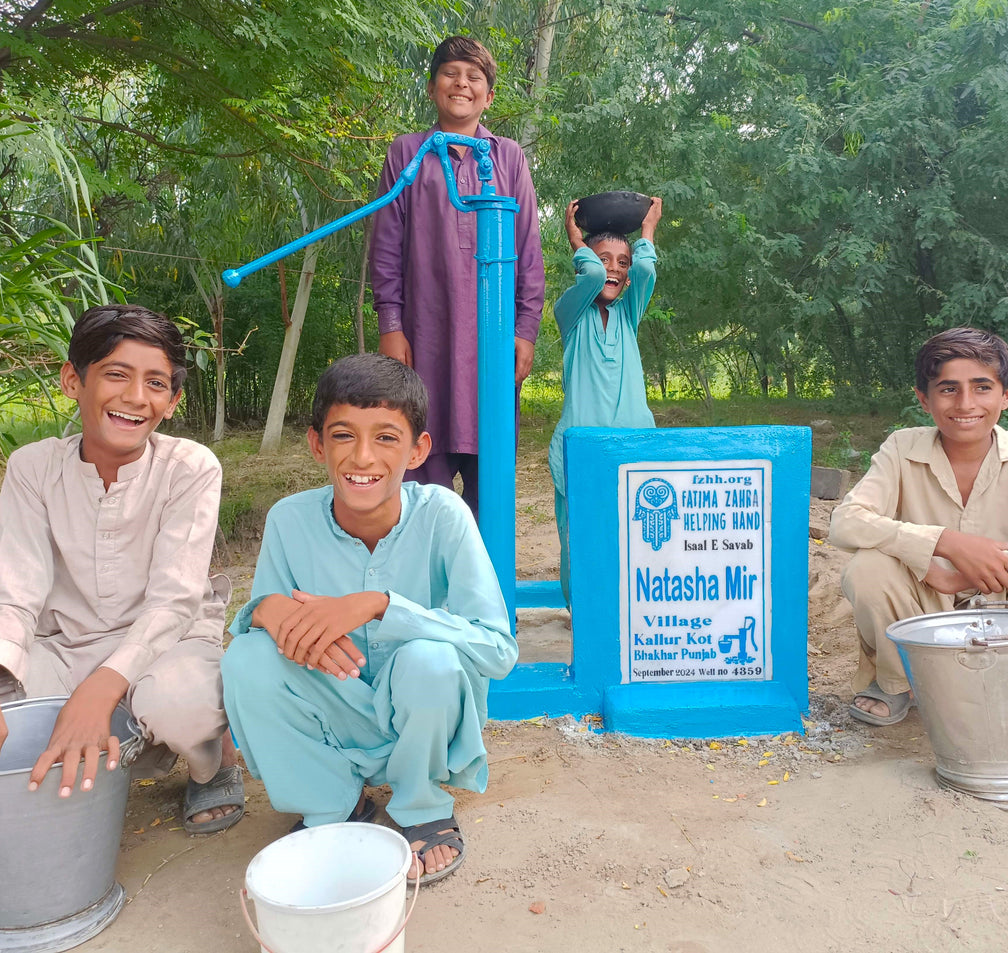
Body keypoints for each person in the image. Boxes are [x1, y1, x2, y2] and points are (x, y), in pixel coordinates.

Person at [221, 353, 517, 883]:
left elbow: (497, 649)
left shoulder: (443, 515)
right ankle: (331, 803)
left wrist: (383, 605)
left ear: (418, 449)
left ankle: (421, 804)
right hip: (338, 707)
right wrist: (267, 610)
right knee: (246, 657)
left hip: (422, 712)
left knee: (430, 661)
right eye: (343, 435)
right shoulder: (288, 521)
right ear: (317, 444)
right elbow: (263, 619)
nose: (363, 456)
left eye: (385, 437)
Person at [0, 304, 242, 833]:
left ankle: (213, 761)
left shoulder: (189, 467)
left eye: (156, 382)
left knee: (182, 704)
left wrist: (102, 686)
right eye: (116, 374)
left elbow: (175, 601)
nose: (136, 397)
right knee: (12, 708)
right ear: (72, 380)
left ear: (173, 401)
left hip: (169, 639)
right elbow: (14, 591)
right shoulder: (33, 469)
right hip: (64, 643)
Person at [368, 35, 545, 518]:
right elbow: (385, 247)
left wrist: (525, 330)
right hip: (424, 338)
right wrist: (391, 325)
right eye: (450, 73)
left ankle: (487, 589)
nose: (461, 84)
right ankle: (425, 589)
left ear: (488, 96)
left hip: (491, 341)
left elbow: (528, 249)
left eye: (474, 77)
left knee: (491, 479)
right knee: (421, 473)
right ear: (431, 88)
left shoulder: (507, 157)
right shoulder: (406, 153)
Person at [829, 327, 1008, 726]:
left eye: (982, 387)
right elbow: (846, 522)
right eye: (948, 389)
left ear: (1007, 394)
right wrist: (944, 545)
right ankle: (898, 683)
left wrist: (976, 569)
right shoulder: (902, 448)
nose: (966, 403)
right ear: (924, 399)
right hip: (924, 600)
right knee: (868, 569)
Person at [548, 197, 663, 604]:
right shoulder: (571, 313)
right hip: (579, 452)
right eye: (604, 258)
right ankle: (583, 618)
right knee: (580, 543)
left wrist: (646, 231)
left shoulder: (629, 316)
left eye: (622, 262)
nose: (613, 268)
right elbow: (593, 275)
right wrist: (575, 238)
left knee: (635, 540)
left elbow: (647, 267)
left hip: (634, 449)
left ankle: (629, 615)